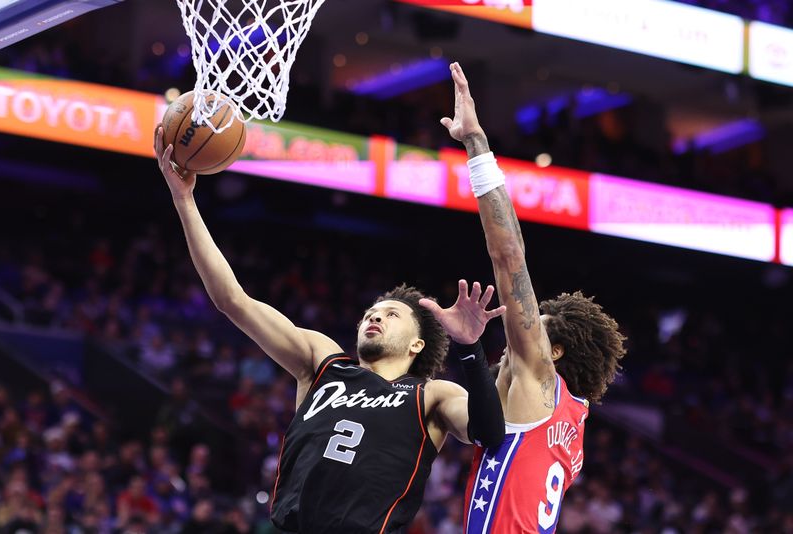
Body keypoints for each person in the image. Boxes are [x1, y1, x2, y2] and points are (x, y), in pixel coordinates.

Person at [153, 127, 506, 533]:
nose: (374, 317)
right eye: (371, 312)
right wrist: (184, 200)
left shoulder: (433, 395)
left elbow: (488, 432)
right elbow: (233, 300)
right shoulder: (323, 363)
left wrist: (470, 348)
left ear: (416, 343)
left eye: (391, 315)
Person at [440, 62, 627, 533]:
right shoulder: (573, 428)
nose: (518, 332)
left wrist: (476, 144)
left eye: (537, 323)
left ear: (555, 350)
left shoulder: (539, 370)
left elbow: (508, 256)